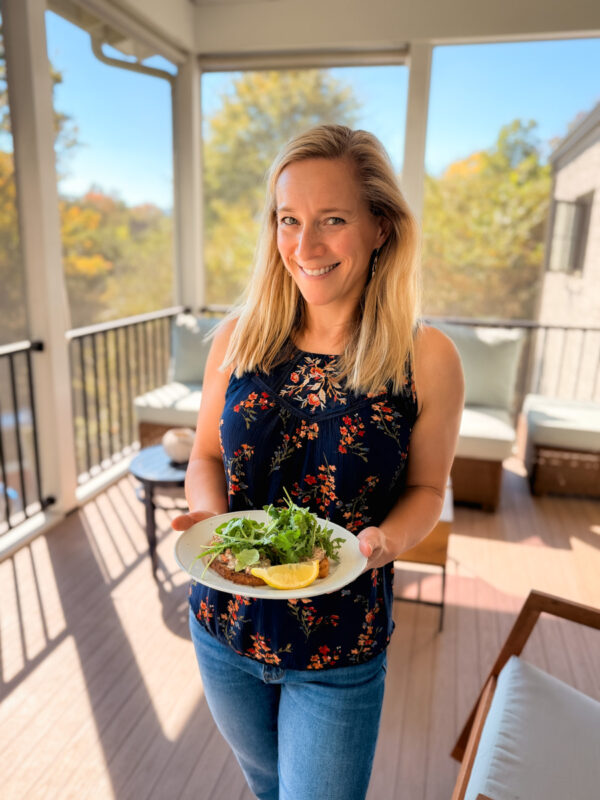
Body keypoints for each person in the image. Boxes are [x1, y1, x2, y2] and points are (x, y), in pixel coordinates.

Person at [172, 124, 464, 800]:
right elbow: (207, 456)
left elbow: (426, 486)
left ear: (380, 226)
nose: (305, 246)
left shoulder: (427, 358)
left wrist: (389, 540)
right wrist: (212, 523)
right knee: (269, 788)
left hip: (339, 648)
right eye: (288, 220)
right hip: (224, 628)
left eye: (332, 219)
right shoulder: (236, 339)